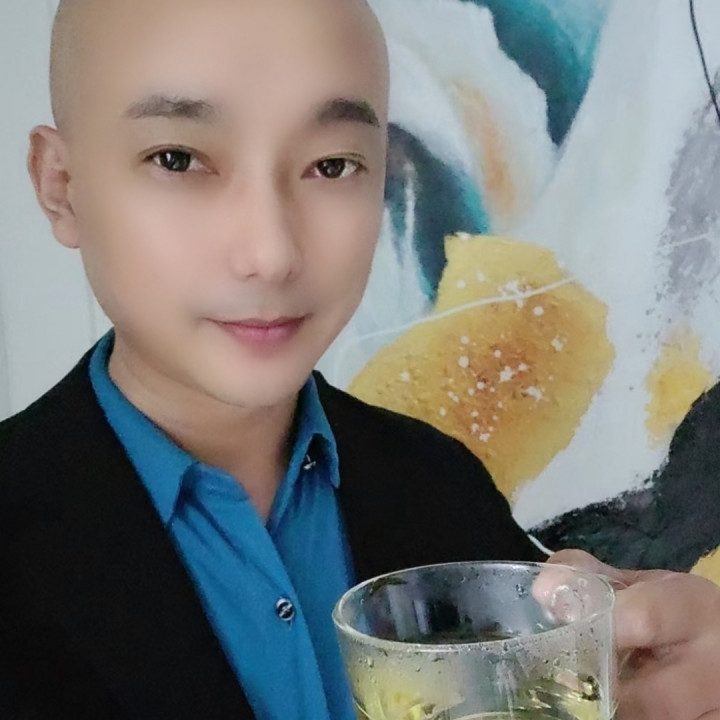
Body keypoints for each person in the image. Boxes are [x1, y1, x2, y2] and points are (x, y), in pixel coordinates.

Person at [1, 0, 719, 718]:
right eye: (178, 160)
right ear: (60, 185)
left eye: (332, 165)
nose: (271, 253)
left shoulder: (440, 483)